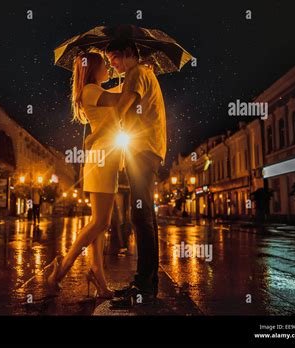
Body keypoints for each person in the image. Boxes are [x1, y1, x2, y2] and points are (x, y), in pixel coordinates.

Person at [47, 52, 123, 298]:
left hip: (106, 159)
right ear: (93, 69)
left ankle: (98, 277)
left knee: (99, 223)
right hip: (101, 160)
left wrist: (139, 74)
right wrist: (136, 77)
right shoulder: (90, 91)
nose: (108, 70)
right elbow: (121, 100)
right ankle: (61, 269)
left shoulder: (96, 90)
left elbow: (118, 93)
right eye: (105, 66)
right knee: (100, 222)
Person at [105, 39, 167, 308]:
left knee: (140, 216)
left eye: (114, 58)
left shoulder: (137, 74)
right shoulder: (142, 73)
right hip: (147, 149)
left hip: (142, 150)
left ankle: (145, 285)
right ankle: (147, 283)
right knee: (144, 216)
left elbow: (122, 106)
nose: (112, 65)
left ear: (128, 53)